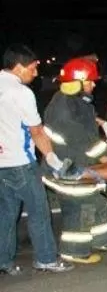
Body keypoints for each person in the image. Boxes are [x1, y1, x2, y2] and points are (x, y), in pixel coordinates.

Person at [43, 58, 107, 264]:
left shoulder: (74, 101)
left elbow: (86, 131)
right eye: (90, 81)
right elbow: (83, 141)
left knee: (96, 200)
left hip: (80, 163)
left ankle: (104, 240)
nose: (94, 84)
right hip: (68, 167)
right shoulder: (65, 108)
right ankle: (74, 250)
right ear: (78, 82)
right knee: (79, 207)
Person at [0, 44, 74, 274]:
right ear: (20, 67)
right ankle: (45, 258)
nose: (35, 73)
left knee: (6, 213)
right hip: (21, 163)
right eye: (32, 68)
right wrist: (53, 159)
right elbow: (37, 131)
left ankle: (4, 261)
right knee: (39, 211)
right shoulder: (21, 93)